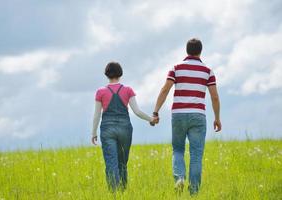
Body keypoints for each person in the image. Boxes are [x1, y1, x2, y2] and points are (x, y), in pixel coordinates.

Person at [152, 38, 222, 195]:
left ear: (187, 50)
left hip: (178, 115)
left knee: (177, 150)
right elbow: (215, 97)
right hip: (198, 115)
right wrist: (217, 118)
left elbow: (165, 90)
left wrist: (156, 111)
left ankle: (179, 178)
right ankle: (194, 192)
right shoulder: (207, 71)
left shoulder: (176, 68)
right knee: (196, 154)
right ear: (200, 51)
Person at [91, 62, 158, 191]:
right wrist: (151, 119)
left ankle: (114, 194)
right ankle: (122, 191)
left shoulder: (100, 92)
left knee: (111, 163)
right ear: (120, 73)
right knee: (122, 163)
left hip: (107, 129)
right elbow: (137, 111)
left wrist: (93, 133)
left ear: (107, 74)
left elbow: (97, 115)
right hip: (125, 129)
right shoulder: (128, 90)